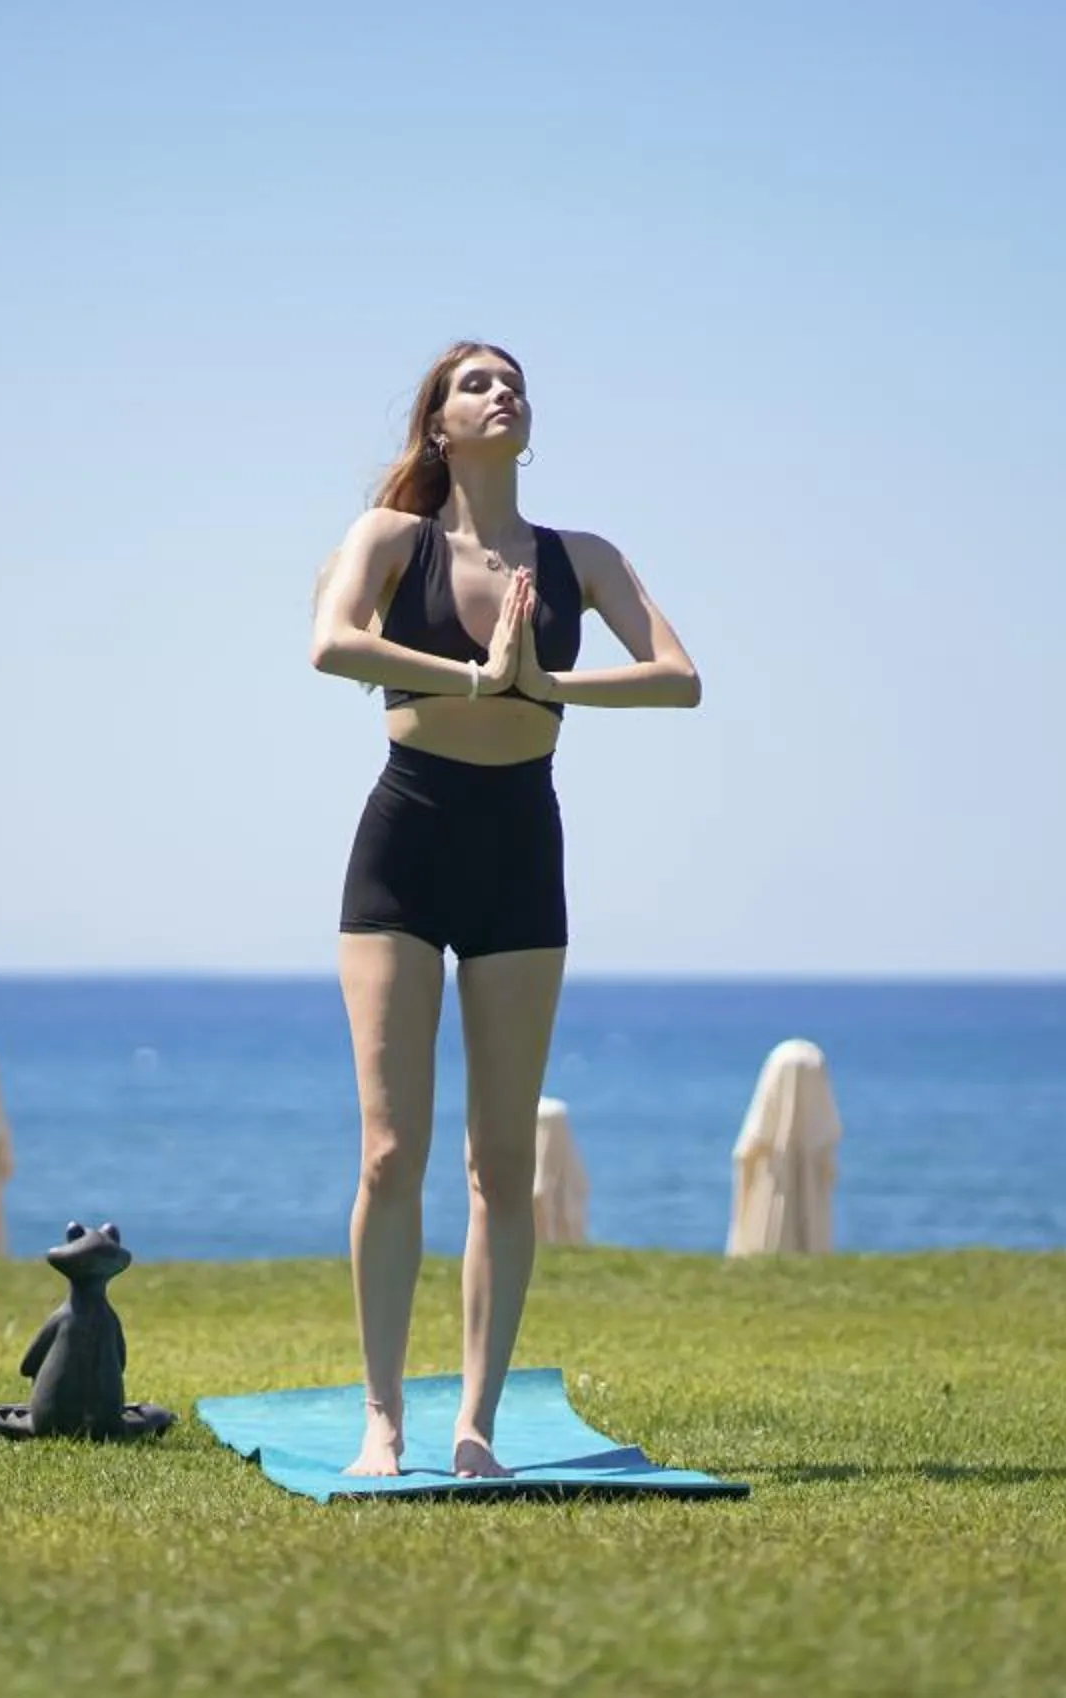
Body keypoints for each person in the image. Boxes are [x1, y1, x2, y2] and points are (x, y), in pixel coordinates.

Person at [307, 341, 702, 1477]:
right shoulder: (395, 540)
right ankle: (384, 1418)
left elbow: (679, 673)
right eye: (475, 383)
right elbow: (330, 644)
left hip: (520, 844)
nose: (501, 392)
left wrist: (546, 685)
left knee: (500, 1161)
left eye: (512, 381)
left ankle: (474, 1425)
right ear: (438, 425)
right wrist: (473, 678)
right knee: (391, 1152)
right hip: (406, 839)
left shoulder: (583, 558)